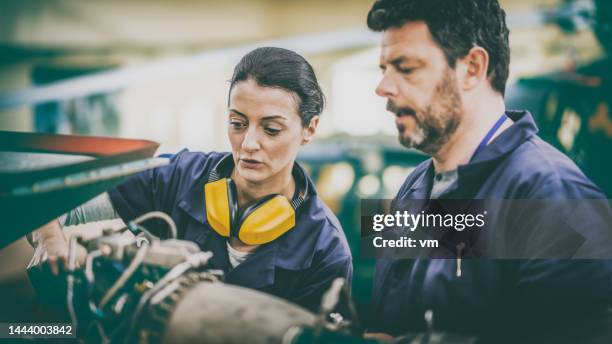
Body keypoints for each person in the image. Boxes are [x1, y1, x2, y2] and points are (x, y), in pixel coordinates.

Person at [28, 47, 352, 313]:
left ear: (309, 129)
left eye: (271, 129)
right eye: (238, 123)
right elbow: (48, 198)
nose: (249, 143)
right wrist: (49, 238)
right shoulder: (178, 176)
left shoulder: (326, 250)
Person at [364, 0, 612, 342]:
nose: (383, 88)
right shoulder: (414, 187)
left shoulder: (553, 196)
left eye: (405, 68)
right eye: (383, 69)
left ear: (472, 67)